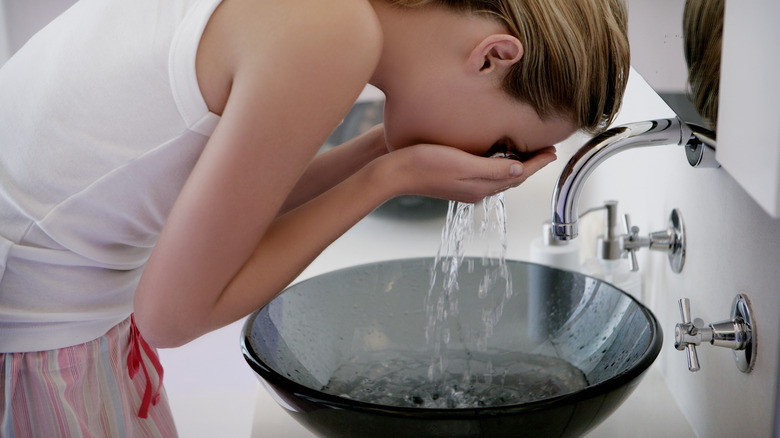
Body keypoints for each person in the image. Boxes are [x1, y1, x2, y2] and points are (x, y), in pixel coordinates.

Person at [0, 0, 629, 435]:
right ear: (493, 56)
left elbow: (232, 202)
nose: (493, 164)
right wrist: (392, 176)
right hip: (37, 347)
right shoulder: (331, 31)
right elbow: (169, 315)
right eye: (504, 146)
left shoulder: (324, 15)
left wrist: (383, 151)